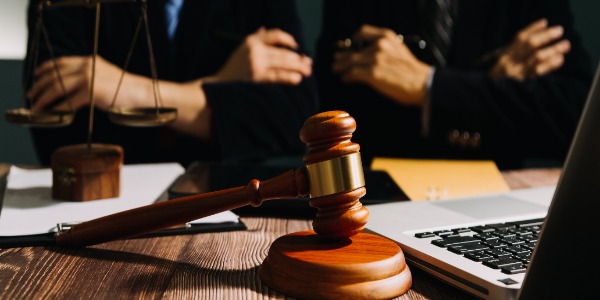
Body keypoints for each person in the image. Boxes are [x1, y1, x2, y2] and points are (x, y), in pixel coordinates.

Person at [24, 0, 318, 168]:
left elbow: (295, 121)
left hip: (229, 205)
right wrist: (221, 86)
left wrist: (128, 91)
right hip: (104, 206)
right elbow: (58, 136)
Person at [315, 0, 594, 169]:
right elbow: (330, 116)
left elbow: (577, 119)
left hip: (496, 195)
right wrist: (491, 85)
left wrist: (428, 86)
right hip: (381, 197)